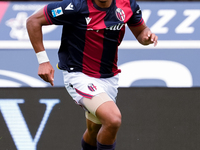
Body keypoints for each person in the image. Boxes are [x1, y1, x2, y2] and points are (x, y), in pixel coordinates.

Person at [26, 0, 158, 149]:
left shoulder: (127, 4)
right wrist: (43, 61)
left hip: (109, 77)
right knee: (113, 119)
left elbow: (141, 31)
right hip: (79, 74)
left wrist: (146, 36)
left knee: (94, 130)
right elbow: (33, 21)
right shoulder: (75, 6)